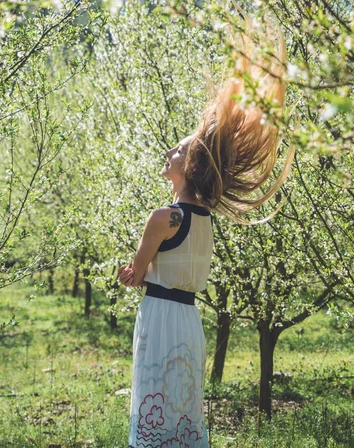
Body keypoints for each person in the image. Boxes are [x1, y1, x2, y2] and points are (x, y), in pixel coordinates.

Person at [118, 10, 294, 447]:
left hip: (158, 319)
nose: (168, 153)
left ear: (188, 165)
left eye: (176, 150)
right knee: (183, 409)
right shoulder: (205, 220)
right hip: (189, 321)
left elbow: (136, 276)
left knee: (155, 405)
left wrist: (129, 273)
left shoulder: (163, 218)